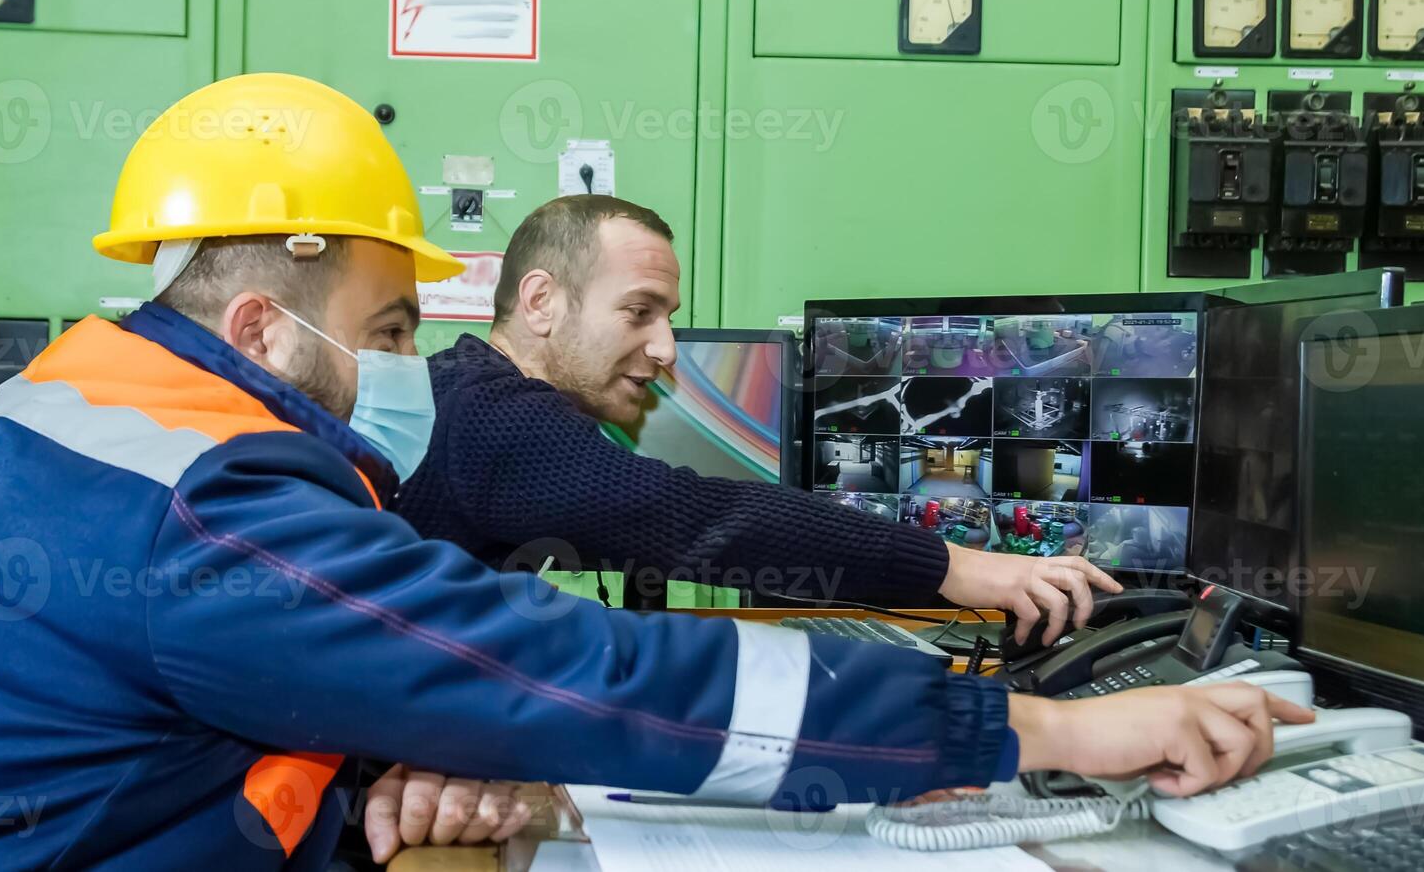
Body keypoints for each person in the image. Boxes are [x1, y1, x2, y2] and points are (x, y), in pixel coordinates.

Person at [0, 74, 1310, 870]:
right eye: (384, 332)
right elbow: (580, 670)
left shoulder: (76, 392)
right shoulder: (212, 498)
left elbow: (196, 677)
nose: (398, 368)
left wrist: (387, 758)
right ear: (263, 323)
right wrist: (1038, 737)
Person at [395, 195, 1117, 645]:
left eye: (667, 318)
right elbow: (695, 517)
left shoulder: (461, 391)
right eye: (638, 311)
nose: (665, 348)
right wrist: (957, 566)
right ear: (541, 302)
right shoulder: (493, 418)